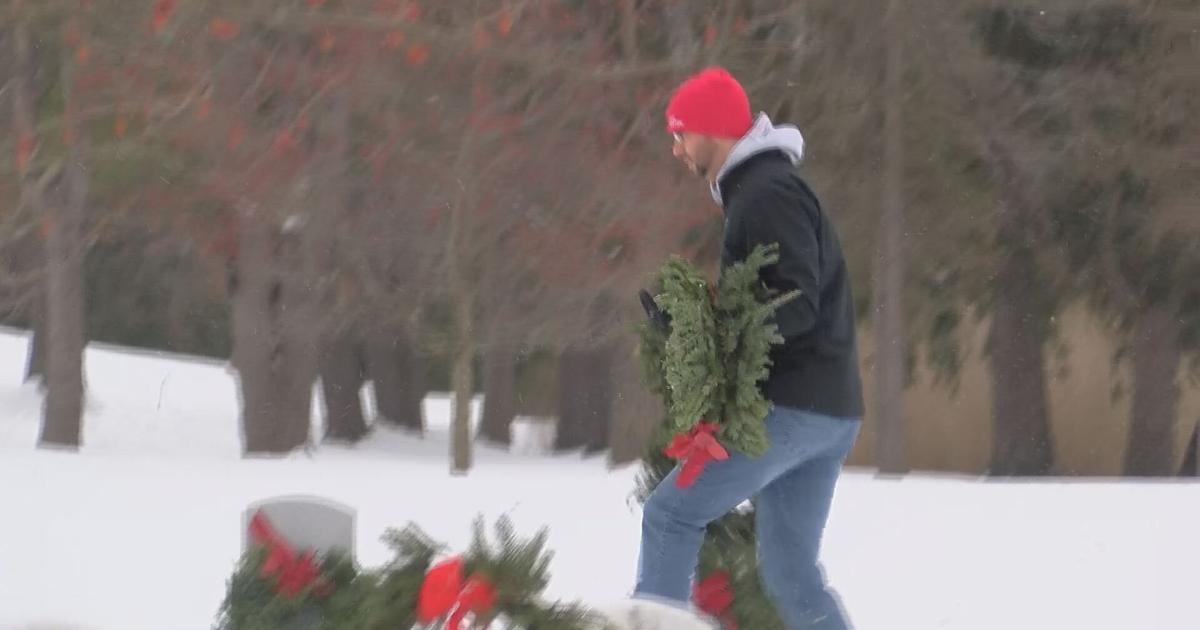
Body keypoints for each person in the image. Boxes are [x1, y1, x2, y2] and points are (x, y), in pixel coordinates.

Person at [634, 66, 865, 629]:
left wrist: (711, 333)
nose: (676, 148)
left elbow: (794, 303)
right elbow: (778, 298)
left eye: (681, 132)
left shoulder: (765, 192)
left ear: (713, 131)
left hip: (792, 408)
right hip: (829, 409)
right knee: (790, 572)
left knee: (670, 517)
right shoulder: (763, 188)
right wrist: (701, 326)